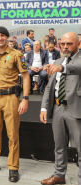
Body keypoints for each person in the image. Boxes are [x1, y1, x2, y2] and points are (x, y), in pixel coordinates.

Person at [0, 26, 30, 183]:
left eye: (2, 36)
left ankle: (13, 167)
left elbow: (26, 76)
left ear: (7, 38)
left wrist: (26, 98)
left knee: (12, 135)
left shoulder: (16, 55)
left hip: (10, 98)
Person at [40, 32, 81, 185]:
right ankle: (59, 175)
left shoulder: (72, 61)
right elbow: (50, 88)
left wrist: (60, 68)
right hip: (58, 108)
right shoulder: (58, 60)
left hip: (76, 110)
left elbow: (75, 67)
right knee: (59, 145)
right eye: (62, 44)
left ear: (78, 43)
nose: (65, 47)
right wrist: (44, 108)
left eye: (69, 44)